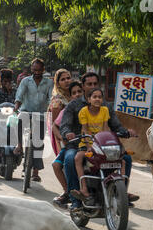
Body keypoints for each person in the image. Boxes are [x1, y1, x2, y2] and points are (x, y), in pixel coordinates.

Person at [59, 72, 139, 210]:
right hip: (79, 144)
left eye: (95, 84)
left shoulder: (106, 106)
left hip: (102, 145)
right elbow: (64, 125)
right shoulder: (74, 105)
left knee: (126, 158)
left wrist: (126, 132)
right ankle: (76, 201)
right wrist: (68, 133)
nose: (92, 86)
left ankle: (120, 193)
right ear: (83, 86)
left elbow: (115, 125)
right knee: (71, 158)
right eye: (89, 84)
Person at [74, 88, 125, 199]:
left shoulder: (105, 110)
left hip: (101, 143)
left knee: (122, 161)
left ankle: (123, 190)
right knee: (78, 158)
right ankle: (83, 188)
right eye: (94, 97)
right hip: (87, 142)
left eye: (100, 97)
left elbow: (106, 127)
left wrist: (107, 142)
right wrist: (89, 147)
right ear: (89, 99)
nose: (97, 99)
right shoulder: (83, 111)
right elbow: (85, 129)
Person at [14, 58, 54, 182]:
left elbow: (50, 99)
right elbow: (19, 95)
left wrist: (51, 110)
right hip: (26, 111)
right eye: (34, 69)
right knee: (19, 119)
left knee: (38, 142)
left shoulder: (49, 83)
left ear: (43, 70)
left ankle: (35, 172)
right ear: (31, 69)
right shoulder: (26, 81)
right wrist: (16, 107)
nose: (36, 72)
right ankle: (19, 145)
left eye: (39, 70)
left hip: (41, 114)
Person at [52, 81, 83, 207]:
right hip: (73, 146)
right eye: (74, 93)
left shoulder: (94, 107)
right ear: (69, 97)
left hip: (91, 145)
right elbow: (56, 126)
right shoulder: (67, 110)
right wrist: (62, 138)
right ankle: (69, 192)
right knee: (57, 164)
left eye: (79, 92)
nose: (77, 95)